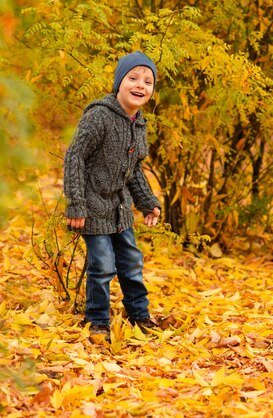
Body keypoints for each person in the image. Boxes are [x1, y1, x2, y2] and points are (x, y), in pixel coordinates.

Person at [63, 51, 161, 342]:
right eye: (133, 78)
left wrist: (147, 202)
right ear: (119, 81)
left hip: (120, 209)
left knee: (131, 261)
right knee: (103, 265)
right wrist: (76, 204)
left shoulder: (138, 123)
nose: (140, 85)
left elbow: (133, 170)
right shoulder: (99, 117)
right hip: (92, 207)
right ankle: (98, 320)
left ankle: (139, 314)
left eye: (148, 81)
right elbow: (75, 158)